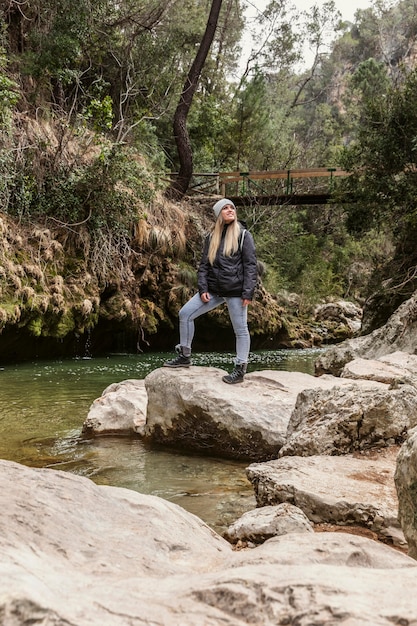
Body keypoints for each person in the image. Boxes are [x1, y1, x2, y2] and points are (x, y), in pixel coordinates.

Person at [164, 198, 257, 384]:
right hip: (214, 290)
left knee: (240, 330)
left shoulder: (243, 235)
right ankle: (184, 355)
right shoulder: (210, 237)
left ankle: (240, 369)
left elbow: (250, 265)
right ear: (218, 214)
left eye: (232, 207)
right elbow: (204, 266)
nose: (230, 210)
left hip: (235, 291)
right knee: (185, 314)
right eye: (225, 208)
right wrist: (203, 288)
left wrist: (248, 292)